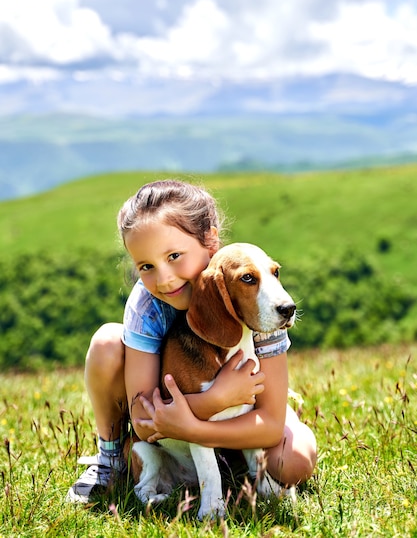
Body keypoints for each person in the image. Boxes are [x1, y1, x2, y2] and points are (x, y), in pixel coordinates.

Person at [66, 179, 317, 504]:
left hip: (246, 419)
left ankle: (245, 463)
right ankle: (110, 458)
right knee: (106, 342)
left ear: (210, 239)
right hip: (171, 436)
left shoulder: (255, 299)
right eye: (146, 266)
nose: (165, 278)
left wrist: (199, 426)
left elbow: (269, 426)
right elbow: (143, 423)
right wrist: (213, 400)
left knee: (294, 462)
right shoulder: (147, 306)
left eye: (174, 255)